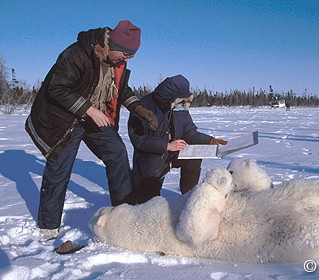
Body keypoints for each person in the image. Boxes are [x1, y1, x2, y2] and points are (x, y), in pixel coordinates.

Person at [25, 20, 158, 239]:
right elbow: (57, 88)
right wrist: (89, 110)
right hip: (65, 119)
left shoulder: (116, 64)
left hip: (94, 117)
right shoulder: (78, 54)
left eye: (130, 57)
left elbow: (122, 90)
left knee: (117, 152)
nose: (126, 60)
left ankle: (123, 210)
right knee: (59, 168)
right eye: (125, 55)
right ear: (112, 44)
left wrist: (140, 108)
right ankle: (48, 227)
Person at [128, 75, 228, 203]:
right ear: (170, 97)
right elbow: (139, 140)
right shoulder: (144, 106)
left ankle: (188, 198)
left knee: (193, 158)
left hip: (173, 153)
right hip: (151, 157)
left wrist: (210, 140)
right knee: (148, 202)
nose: (180, 104)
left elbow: (190, 132)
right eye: (179, 101)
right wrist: (166, 146)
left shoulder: (180, 107)